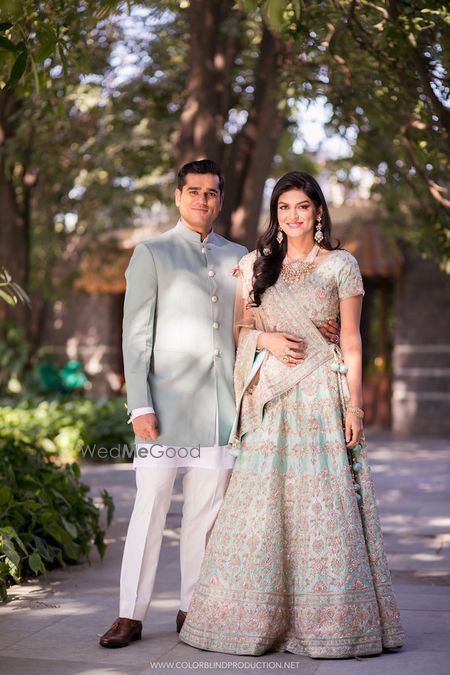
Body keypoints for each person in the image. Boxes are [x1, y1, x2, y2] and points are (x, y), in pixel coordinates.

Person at [99, 159, 341, 648]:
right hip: (164, 411)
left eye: (211, 193)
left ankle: (195, 608)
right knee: (149, 510)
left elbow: (265, 312)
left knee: (206, 518)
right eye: (194, 192)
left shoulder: (243, 257)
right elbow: (134, 336)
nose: (202, 201)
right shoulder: (152, 253)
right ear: (178, 196)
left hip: (221, 411)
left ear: (220, 199)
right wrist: (139, 406)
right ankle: (130, 613)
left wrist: (320, 328)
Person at [180, 171, 404, 658]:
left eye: (303, 206)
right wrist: (267, 339)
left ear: (319, 211)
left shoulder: (342, 265)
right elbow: (240, 331)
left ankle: (329, 623)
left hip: (322, 396)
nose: (294, 215)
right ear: (275, 213)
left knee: (321, 507)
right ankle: (255, 621)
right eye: (284, 207)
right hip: (271, 399)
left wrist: (357, 406)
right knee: (262, 508)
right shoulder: (255, 265)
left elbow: (350, 340)